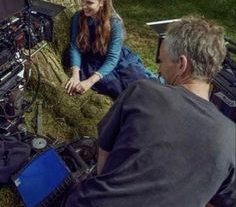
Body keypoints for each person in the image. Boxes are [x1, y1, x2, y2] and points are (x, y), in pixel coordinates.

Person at [65, 16, 235, 207]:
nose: (158, 69)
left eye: (161, 61)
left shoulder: (143, 91)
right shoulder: (230, 138)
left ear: (182, 64)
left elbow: (103, 158)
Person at [65, 0, 157, 100]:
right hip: (92, 61)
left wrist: (89, 82)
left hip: (117, 59)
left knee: (138, 84)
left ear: (101, 2)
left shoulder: (114, 22)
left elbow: (113, 58)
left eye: (89, 2)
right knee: (114, 88)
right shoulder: (78, 17)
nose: (84, 6)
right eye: (82, 0)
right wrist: (75, 75)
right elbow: (74, 47)